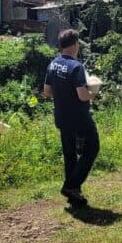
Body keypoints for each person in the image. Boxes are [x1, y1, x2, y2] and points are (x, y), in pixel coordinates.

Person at [43, 29, 98, 207]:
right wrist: (94, 94)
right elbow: (82, 95)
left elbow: (47, 92)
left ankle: (74, 193)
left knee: (70, 155)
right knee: (92, 149)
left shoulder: (53, 64)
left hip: (61, 117)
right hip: (79, 118)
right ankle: (71, 186)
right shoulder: (76, 67)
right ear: (75, 44)